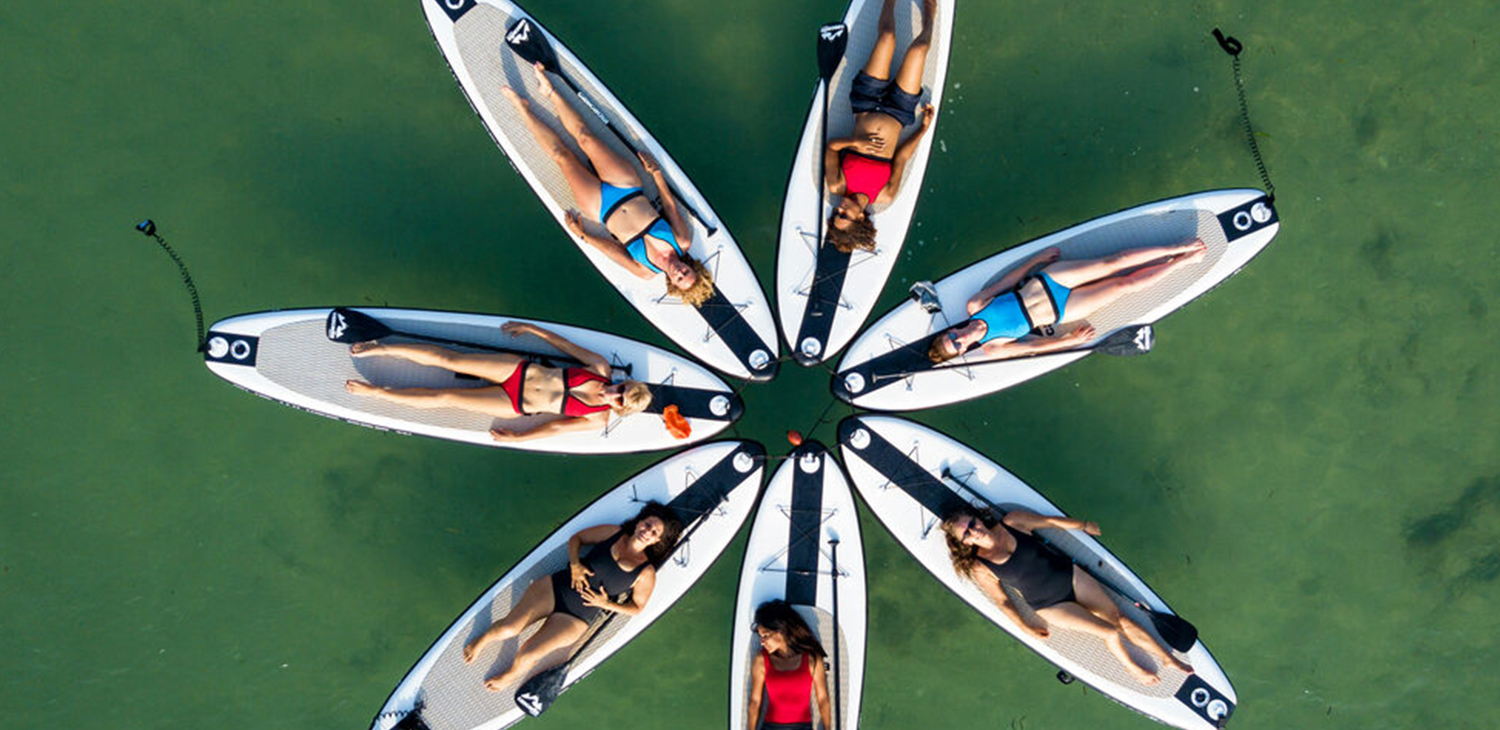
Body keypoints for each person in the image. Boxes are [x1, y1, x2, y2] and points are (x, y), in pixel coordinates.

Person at [500, 62, 715, 307]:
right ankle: (549, 90)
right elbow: (670, 206)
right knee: (586, 138)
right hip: (628, 187)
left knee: (562, 157)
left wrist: (583, 235)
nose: (679, 273)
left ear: (673, 285)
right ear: (690, 266)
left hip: (601, 209)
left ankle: (522, 107)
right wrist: (655, 173)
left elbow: (613, 251)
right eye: (686, 273)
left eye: (679, 279)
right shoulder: (682, 240)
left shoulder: (645, 271)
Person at [942, 507, 1193, 685]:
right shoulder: (981, 567)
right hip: (1050, 604)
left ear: (977, 517)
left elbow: (1051, 522)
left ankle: (1168, 659)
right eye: (966, 534)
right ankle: (1133, 668)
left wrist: (1083, 525)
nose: (974, 531)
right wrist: (1026, 627)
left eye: (972, 523)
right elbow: (1002, 601)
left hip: (1071, 576)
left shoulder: (1013, 521)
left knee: (1122, 621)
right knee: (1108, 631)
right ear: (963, 543)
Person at [463, 502, 683, 691]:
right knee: (509, 628)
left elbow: (637, 607)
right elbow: (577, 538)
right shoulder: (613, 533)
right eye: (647, 525)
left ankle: (510, 676)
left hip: (577, 617)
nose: (648, 531)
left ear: (657, 541)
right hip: (556, 587)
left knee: (528, 655)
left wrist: (606, 604)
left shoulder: (645, 571)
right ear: (639, 522)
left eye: (655, 533)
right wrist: (576, 564)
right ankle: (482, 640)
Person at [343, 321, 652, 443]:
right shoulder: (599, 367)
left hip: (515, 405)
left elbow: (555, 427)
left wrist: (519, 438)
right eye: (623, 388)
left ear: (621, 408)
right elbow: (564, 346)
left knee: (446, 397)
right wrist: (532, 329)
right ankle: (381, 347)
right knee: (451, 359)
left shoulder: (596, 418)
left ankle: (377, 393)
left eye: (620, 399)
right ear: (626, 382)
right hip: (518, 371)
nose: (616, 392)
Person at [927, 239, 1208, 364]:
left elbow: (1008, 282)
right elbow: (1034, 347)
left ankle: (1178, 247)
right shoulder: (992, 348)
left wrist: (1035, 260)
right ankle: (1179, 264)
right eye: (957, 345)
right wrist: (1069, 341)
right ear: (962, 350)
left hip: (1047, 281)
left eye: (951, 335)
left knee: (1113, 262)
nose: (958, 337)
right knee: (1125, 284)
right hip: (1062, 310)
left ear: (950, 330)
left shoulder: (975, 306)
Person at [822, 0, 940, 254]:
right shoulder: (884, 195)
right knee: (919, 50)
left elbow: (831, 148)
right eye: (845, 214)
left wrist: (856, 144)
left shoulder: (837, 185)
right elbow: (901, 158)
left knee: (887, 39)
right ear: (861, 218)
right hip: (899, 111)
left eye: (836, 213)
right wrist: (922, 129)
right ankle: (931, 15)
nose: (839, 207)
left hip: (865, 100)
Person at [745, 600, 832, 730]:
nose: (762, 642)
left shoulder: (812, 658)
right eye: (760, 636)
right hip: (771, 727)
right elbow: (755, 702)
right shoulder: (761, 660)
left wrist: (828, 728)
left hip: (802, 727)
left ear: (781, 631)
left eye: (766, 636)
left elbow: (823, 698)